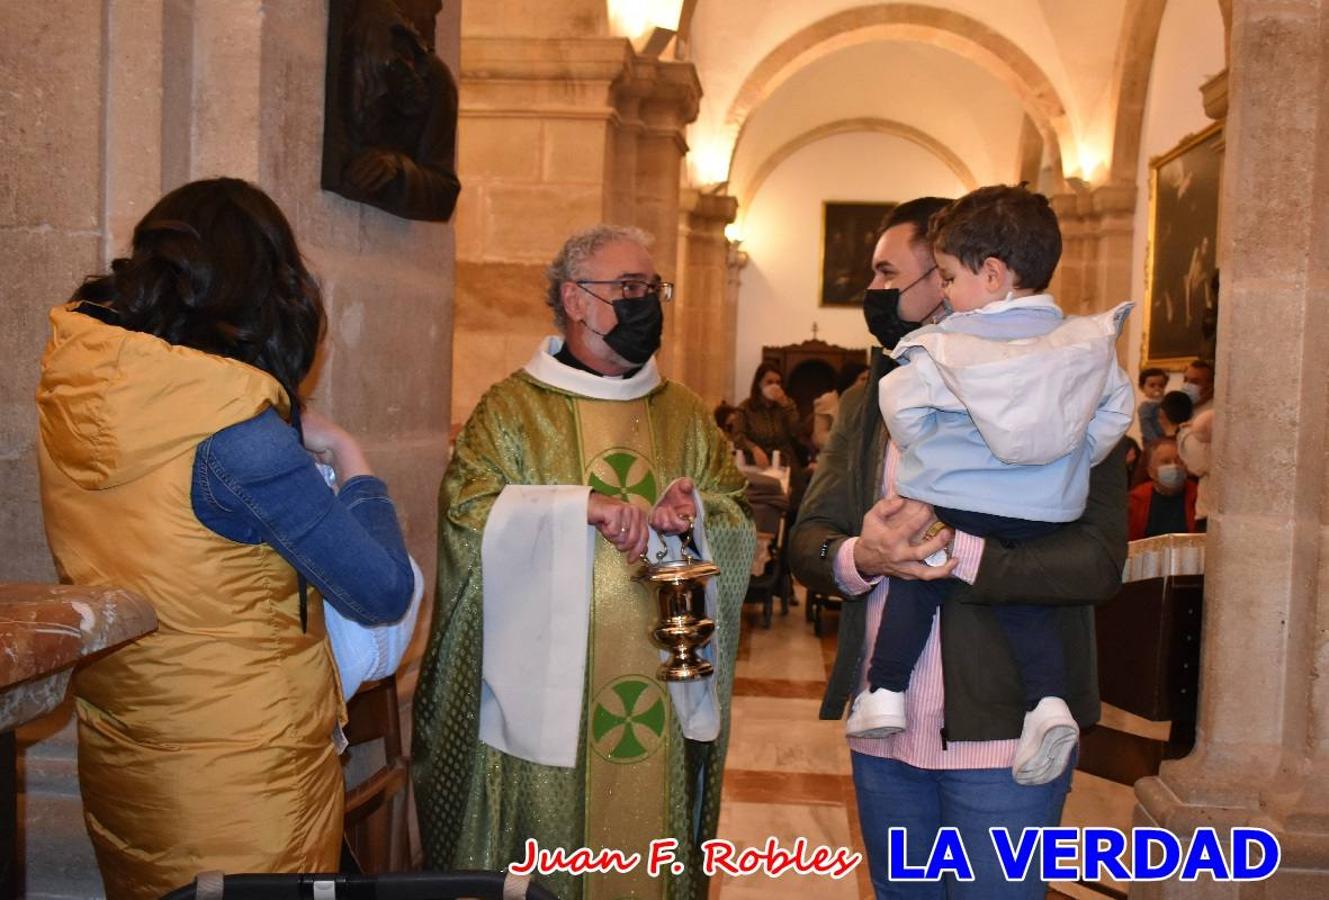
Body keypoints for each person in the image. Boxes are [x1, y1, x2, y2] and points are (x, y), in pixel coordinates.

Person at [35, 178, 415, 898]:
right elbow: (380, 588)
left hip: (130, 753)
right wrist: (356, 462)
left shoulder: (79, 396)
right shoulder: (238, 437)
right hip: (244, 774)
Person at [789, 196, 1128, 899]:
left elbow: (1094, 563)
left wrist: (963, 553)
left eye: (891, 274)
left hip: (1003, 734)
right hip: (883, 733)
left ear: (967, 278)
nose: (876, 293)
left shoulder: (1071, 383)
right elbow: (808, 542)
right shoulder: (873, 396)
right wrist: (865, 555)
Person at [411, 224, 754, 900]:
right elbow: (465, 516)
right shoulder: (511, 410)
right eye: (627, 287)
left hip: (661, 682)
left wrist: (697, 513)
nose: (644, 302)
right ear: (574, 299)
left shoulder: (683, 413)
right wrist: (578, 508)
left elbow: (735, 513)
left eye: (652, 288)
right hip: (548, 703)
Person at [847, 186, 1133, 792]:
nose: (947, 293)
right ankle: (1047, 702)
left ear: (992, 274)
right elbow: (1118, 410)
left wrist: (930, 458)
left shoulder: (943, 348)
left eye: (947, 277)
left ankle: (885, 691)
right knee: (1025, 613)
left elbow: (1097, 567)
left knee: (917, 582)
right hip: (1043, 510)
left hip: (992, 746)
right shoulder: (1084, 353)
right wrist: (1077, 452)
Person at [1128, 439, 1198, 539]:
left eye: (1179, 461)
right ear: (1150, 471)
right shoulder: (1136, 500)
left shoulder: (1198, 496)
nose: (1174, 466)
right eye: (1166, 462)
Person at [813, 360, 871, 450]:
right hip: (834, 454)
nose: (867, 383)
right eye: (863, 379)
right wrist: (846, 441)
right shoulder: (828, 400)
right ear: (850, 380)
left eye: (869, 379)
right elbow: (819, 436)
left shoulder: (869, 401)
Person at [1137, 366, 1169, 443]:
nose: (1157, 388)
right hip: (1153, 440)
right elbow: (1145, 426)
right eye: (1152, 385)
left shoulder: (1166, 402)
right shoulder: (1146, 406)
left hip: (1167, 436)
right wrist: (1155, 441)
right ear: (1142, 388)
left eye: (1161, 385)